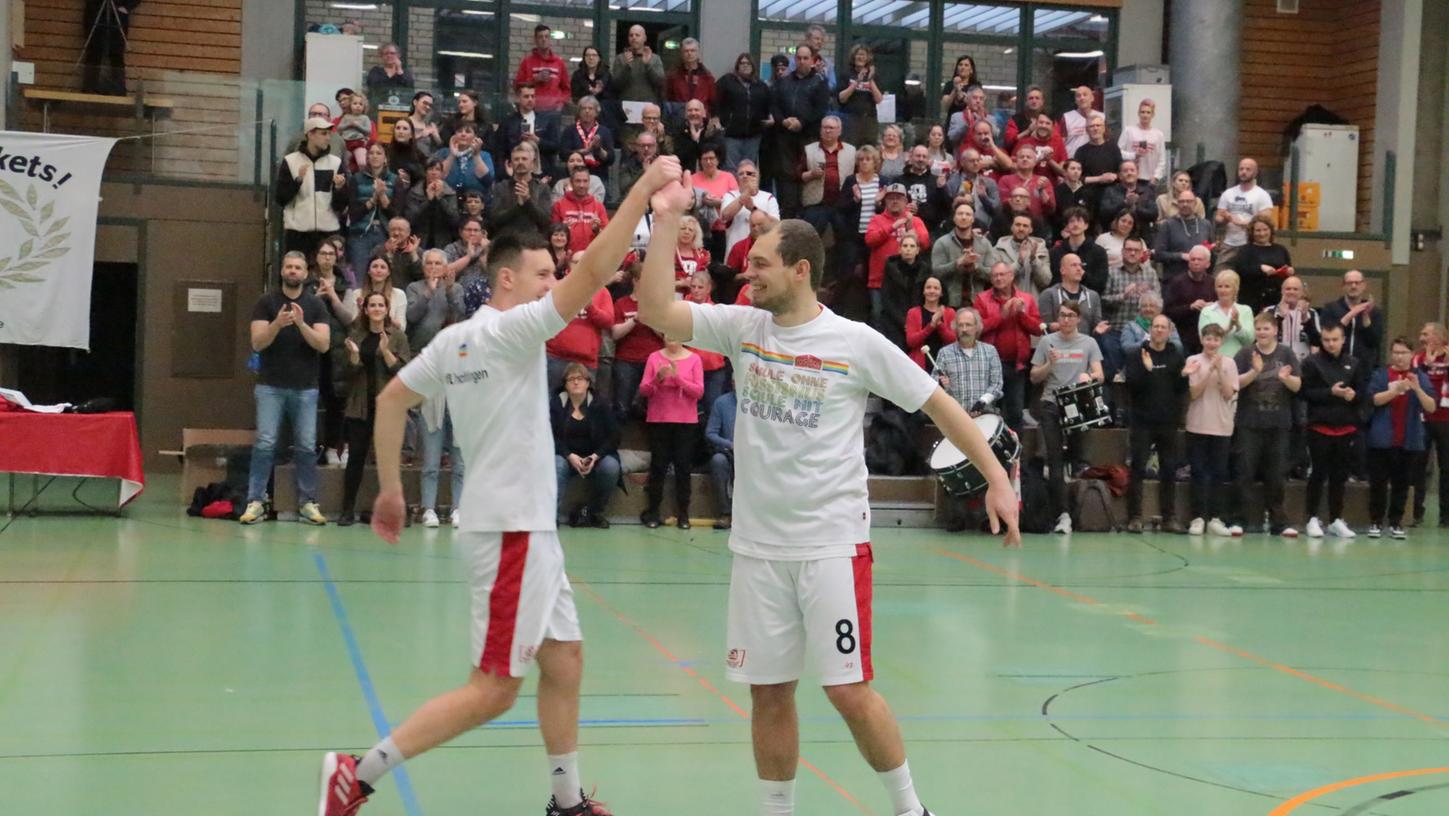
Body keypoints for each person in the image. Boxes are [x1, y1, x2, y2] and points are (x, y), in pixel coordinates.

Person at [634, 181, 1020, 816]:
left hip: (831, 546)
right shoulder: (741, 327)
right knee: (768, 693)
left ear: (800, 269)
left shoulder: (854, 343)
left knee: (848, 692)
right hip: (758, 550)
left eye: (760, 263)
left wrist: (998, 479)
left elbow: (940, 406)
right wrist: (666, 215)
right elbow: (656, 309)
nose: (748, 273)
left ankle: (909, 808)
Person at [316, 156, 685, 816]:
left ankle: (565, 801)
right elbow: (598, 269)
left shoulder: (455, 342)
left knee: (564, 658)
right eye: (545, 274)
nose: (555, 283)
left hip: (524, 530)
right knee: (492, 689)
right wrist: (644, 190)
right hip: (509, 532)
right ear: (508, 278)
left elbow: (394, 398)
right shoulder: (514, 331)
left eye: (555, 274)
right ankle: (357, 772)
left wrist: (391, 490)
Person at [239, 252, 330, 526]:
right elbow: (257, 342)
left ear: (306, 273)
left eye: (298, 267)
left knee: (305, 446)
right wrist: (278, 324)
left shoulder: (315, 306)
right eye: (289, 267)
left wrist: (301, 324)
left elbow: (323, 345)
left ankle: (308, 502)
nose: (293, 271)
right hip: (270, 386)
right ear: (282, 271)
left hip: (305, 388)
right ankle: (256, 500)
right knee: (265, 444)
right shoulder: (266, 303)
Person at [1030, 301, 1106, 534]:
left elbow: (1100, 375)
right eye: (1062, 315)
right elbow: (1034, 377)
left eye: (1070, 316)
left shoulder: (1089, 342)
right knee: (1054, 460)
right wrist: (1048, 365)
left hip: (1078, 407)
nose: (1065, 320)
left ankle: (1077, 510)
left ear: (1078, 319)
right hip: (1052, 403)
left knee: (1076, 460)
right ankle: (1061, 515)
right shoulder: (1046, 341)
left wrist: (1089, 377)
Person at [336, 292, 411, 526]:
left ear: (387, 309)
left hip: (386, 408)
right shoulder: (355, 335)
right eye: (372, 305)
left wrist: (387, 351)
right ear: (365, 309)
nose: (377, 308)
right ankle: (347, 510)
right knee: (356, 458)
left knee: (388, 462)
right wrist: (356, 356)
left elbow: (403, 372)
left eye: (381, 305)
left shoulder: (397, 336)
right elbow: (347, 373)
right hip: (360, 407)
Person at [406, 249, 468, 529]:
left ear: (446, 267)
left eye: (438, 264)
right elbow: (412, 318)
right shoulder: (414, 288)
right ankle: (428, 508)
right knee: (430, 455)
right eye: (429, 263)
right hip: (426, 367)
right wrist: (430, 293)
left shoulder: (455, 288)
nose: (433, 267)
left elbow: (461, 315)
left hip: (455, 372)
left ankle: (459, 508)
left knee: (459, 456)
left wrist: (448, 288)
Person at [934, 307, 1005, 532]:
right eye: (961, 325)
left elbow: (997, 384)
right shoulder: (944, 354)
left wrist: (981, 403)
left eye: (968, 325)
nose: (964, 330)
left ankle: (987, 517)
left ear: (977, 327)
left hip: (985, 417)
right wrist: (940, 384)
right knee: (954, 465)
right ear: (955, 328)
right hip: (955, 419)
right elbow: (931, 384)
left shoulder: (990, 352)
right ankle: (956, 516)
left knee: (986, 465)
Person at [1232, 312, 1303, 537]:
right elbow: (1235, 383)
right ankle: (1240, 520)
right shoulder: (1244, 354)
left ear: (1275, 331)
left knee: (1276, 475)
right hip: (1249, 424)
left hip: (1279, 424)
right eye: (1258, 329)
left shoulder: (1286, 353)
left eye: (1266, 328)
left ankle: (1279, 522)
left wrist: (1284, 378)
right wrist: (1254, 371)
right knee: (1244, 472)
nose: (1262, 333)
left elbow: (1297, 386)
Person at [1299, 323, 1369, 539]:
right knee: (1318, 473)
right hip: (1319, 426)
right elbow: (1305, 393)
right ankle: (1311, 518)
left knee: (1339, 476)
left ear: (1343, 339)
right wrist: (1330, 392)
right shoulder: (1311, 362)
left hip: (1346, 427)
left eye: (1335, 339)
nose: (1330, 344)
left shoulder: (1353, 363)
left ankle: (1336, 519)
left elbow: (1361, 394)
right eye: (1327, 340)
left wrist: (1352, 396)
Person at [1364, 339, 1437, 539]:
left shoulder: (1420, 377)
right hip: (1382, 438)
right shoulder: (1380, 374)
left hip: (1409, 439)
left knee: (1402, 484)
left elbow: (1431, 407)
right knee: (1378, 483)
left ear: (1411, 354)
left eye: (1403, 352)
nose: (1399, 356)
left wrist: (1416, 388)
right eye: (1395, 352)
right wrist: (1394, 390)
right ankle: (1376, 521)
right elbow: (1374, 400)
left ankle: (1395, 522)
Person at [1123, 313, 1187, 533]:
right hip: (1142, 421)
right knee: (1138, 468)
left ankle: (1169, 517)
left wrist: (1185, 377)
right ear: (1150, 330)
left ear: (1169, 331)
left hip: (1168, 421)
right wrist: (1147, 370)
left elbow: (1179, 389)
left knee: (1169, 469)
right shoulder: (1137, 354)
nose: (1159, 330)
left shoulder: (1175, 354)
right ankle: (1135, 517)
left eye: (1163, 327)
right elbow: (1131, 384)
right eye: (1156, 326)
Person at [638, 340, 704, 529]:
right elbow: (644, 390)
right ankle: (653, 512)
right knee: (658, 466)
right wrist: (657, 378)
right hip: (659, 419)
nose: (672, 339)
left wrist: (678, 379)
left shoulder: (695, 359)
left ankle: (683, 514)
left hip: (685, 421)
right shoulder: (654, 357)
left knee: (683, 467)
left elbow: (699, 392)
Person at [1182, 323, 1239, 537]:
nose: (1212, 343)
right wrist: (1207, 372)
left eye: (1216, 339)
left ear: (1221, 342)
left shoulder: (1230, 364)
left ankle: (1216, 518)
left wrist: (1218, 369)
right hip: (1197, 425)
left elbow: (1228, 393)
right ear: (1202, 340)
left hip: (1222, 427)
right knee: (1198, 472)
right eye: (1208, 339)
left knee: (1218, 473)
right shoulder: (1193, 361)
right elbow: (1194, 393)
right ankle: (1198, 517)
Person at [974, 261, 1043, 433]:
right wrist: (1002, 315)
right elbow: (976, 328)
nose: (998, 278)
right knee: (987, 411)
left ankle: (1015, 455)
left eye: (1002, 274)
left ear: (1011, 276)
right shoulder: (982, 299)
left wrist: (1021, 314)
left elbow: (1037, 329)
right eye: (994, 275)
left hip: (1016, 365)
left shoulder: (1026, 299)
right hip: (990, 365)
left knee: (1015, 413)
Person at [552, 363, 623, 529]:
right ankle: (551, 516)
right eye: (571, 379)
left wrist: (595, 456)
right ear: (565, 384)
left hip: (595, 457)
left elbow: (615, 436)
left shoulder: (601, 404)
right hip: (565, 456)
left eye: (580, 378)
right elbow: (549, 435)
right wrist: (569, 455)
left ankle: (594, 511)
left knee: (611, 467)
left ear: (588, 382)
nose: (576, 382)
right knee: (556, 464)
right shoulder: (556, 404)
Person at [277, 117, 347, 257]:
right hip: (297, 232)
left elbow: (341, 206)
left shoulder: (335, 162)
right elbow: (280, 198)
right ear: (310, 134)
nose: (328, 138)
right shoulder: (291, 161)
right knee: (296, 274)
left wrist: (339, 189)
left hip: (328, 231)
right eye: (323, 133)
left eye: (329, 134)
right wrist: (297, 181)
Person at [311, 242, 354, 466]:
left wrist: (334, 297)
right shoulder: (307, 283)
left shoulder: (346, 285)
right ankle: (311, 447)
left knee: (336, 403)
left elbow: (351, 320)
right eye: (323, 253)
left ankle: (333, 447)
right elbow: (301, 313)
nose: (327, 258)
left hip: (337, 351)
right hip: (312, 351)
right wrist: (317, 297)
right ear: (316, 257)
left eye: (331, 254)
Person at [865, 184, 929, 330]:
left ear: (906, 202)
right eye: (890, 198)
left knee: (907, 319)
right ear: (885, 202)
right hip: (879, 281)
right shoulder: (876, 220)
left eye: (899, 198)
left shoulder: (915, 220)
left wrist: (910, 226)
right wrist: (892, 226)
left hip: (907, 283)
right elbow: (870, 240)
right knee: (878, 316)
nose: (894, 201)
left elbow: (925, 243)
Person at [544, 264, 614, 394]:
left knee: (582, 408)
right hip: (555, 357)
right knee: (550, 404)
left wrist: (590, 308)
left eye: (584, 261)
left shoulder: (602, 291)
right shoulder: (557, 287)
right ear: (568, 266)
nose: (580, 265)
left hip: (586, 361)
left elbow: (608, 321)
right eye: (576, 262)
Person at [610, 263, 664, 422]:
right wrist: (635, 319)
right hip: (626, 360)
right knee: (622, 404)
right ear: (635, 280)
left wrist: (650, 320)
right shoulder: (621, 303)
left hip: (653, 360)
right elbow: (615, 334)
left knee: (652, 405)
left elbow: (666, 335)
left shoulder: (658, 304)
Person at [1411, 323, 1449, 528]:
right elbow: (1416, 380)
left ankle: (1446, 515)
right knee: (1418, 466)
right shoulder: (1418, 358)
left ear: (1439, 337)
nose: (1421, 338)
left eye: (1425, 334)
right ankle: (1416, 511)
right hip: (1423, 418)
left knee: (1446, 468)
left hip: (1446, 419)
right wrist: (1428, 364)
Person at [345, 142, 401, 269]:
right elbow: (353, 214)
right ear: (367, 158)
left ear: (385, 158)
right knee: (360, 276)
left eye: (379, 153)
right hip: (360, 233)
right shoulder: (356, 179)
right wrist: (373, 199)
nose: (375, 156)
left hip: (385, 232)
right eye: (371, 153)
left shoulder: (395, 180)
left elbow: (396, 215)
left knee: (381, 272)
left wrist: (382, 196)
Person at [930, 200, 992, 307]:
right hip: (950, 303)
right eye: (960, 214)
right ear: (954, 218)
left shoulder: (984, 244)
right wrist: (958, 263)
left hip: (977, 303)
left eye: (968, 214)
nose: (963, 217)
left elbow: (993, 275)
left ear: (973, 219)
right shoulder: (942, 243)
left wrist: (976, 267)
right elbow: (936, 272)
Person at [1214, 158, 1274, 269]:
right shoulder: (1228, 193)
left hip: (1251, 245)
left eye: (1248, 169)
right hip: (1229, 244)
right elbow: (1218, 218)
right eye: (1241, 169)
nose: (1243, 172)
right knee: (1220, 276)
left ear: (1255, 173)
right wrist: (1225, 218)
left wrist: (1240, 222)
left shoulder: (1262, 195)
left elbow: (1266, 221)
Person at [1317, 270, 1383, 370]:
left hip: (1364, 368)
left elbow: (1375, 341)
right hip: (1335, 366)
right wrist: (1351, 314)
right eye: (1349, 283)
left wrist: (1365, 316)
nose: (1353, 286)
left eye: (1357, 283)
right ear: (1343, 286)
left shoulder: (1374, 311)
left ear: (1364, 285)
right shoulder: (1330, 308)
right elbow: (1328, 335)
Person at [717, 53, 771, 172]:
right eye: (742, 63)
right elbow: (716, 101)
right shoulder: (727, 81)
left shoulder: (761, 86)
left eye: (748, 63)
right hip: (731, 134)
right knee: (730, 169)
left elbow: (768, 105)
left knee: (748, 169)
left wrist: (770, 117)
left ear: (753, 66)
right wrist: (717, 119)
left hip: (754, 135)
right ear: (737, 66)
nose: (745, 66)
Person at [496, 85, 562, 181]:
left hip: (541, 174)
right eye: (526, 96)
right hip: (514, 173)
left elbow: (556, 147)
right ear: (518, 98)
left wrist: (537, 140)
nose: (530, 99)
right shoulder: (508, 122)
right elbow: (500, 150)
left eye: (533, 96)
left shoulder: (547, 121)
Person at [490, 144, 553, 242]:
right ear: (511, 164)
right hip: (507, 243)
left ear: (532, 163)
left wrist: (527, 201)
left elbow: (545, 221)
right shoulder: (501, 187)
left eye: (524, 159)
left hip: (535, 242)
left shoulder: (542, 188)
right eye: (516, 159)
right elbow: (495, 220)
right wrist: (518, 206)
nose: (520, 162)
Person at [1038, 254, 1107, 342]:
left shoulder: (1093, 296)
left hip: (1084, 347)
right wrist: (1052, 326)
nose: (1079, 269)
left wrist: (1098, 330)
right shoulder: (1049, 294)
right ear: (1062, 270)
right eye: (1074, 265)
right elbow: (1043, 327)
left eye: (1081, 265)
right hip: (1057, 347)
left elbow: (1095, 329)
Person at [720, 159, 780, 260]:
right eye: (741, 174)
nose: (745, 176)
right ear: (737, 178)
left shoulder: (769, 197)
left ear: (757, 176)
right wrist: (745, 195)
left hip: (762, 252)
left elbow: (776, 224)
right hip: (735, 254)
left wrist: (753, 208)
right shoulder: (730, 195)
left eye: (749, 173)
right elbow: (725, 216)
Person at [1234, 215, 1294, 313]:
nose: (1262, 234)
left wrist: (1289, 271)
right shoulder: (1245, 250)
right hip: (1251, 299)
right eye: (1258, 230)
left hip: (1276, 298)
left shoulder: (1281, 249)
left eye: (1265, 229)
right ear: (1252, 232)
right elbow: (1240, 269)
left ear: (1271, 231)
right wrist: (1260, 268)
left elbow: (1288, 268)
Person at [514, 24, 571, 128]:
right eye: (540, 37)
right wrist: (535, 80)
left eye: (546, 37)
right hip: (532, 111)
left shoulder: (559, 63)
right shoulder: (527, 62)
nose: (544, 40)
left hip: (553, 113)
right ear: (535, 40)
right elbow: (518, 86)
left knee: (552, 143)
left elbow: (566, 89)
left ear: (550, 39)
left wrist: (560, 104)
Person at [1164, 246, 1216, 354]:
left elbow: (1221, 307)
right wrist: (1190, 307)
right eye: (1193, 259)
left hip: (1208, 338)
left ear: (1208, 264)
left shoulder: (1213, 283)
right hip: (1183, 337)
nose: (1195, 262)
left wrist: (1213, 306)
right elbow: (1167, 311)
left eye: (1199, 259)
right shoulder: (1177, 282)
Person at [1153, 189, 1213, 281]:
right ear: (1177, 203)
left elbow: (1212, 252)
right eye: (1182, 201)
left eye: (1189, 201)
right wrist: (1181, 256)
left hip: (1200, 281)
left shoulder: (1205, 225)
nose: (1185, 204)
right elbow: (1158, 255)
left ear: (1195, 203)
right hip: (1174, 280)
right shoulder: (1167, 225)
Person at [1074, 113, 1123, 219]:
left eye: (1098, 125)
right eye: (1091, 126)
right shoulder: (1081, 152)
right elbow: (1077, 179)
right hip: (1089, 199)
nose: (1095, 129)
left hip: (1112, 198)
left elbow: (1121, 172)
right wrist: (1100, 179)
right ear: (1087, 130)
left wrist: (1114, 176)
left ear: (1104, 128)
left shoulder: (1113, 148)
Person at [1049, 206, 1108, 293]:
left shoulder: (1099, 252)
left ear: (1086, 225)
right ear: (1067, 226)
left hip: (1088, 299)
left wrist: (1081, 274)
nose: (1075, 224)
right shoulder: (1055, 252)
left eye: (1079, 221)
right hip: (1060, 299)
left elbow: (1100, 284)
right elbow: (1053, 280)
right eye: (1071, 221)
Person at [1198, 269, 1255, 360]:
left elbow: (1249, 341)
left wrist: (1237, 325)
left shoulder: (1245, 310)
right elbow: (1204, 339)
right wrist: (1228, 328)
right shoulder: (1207, 311)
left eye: (1227, 286)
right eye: (1219, 286)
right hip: (1213, 360)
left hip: (1239, 361)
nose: (1223, 290)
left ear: (1235, 289)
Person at [991, 212, 1051, 298]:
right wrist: (1018, 263)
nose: (1021, 229)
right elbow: (997, 280)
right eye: (1018, 225)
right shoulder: (998, 249)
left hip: (1032, 305)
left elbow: (1046, 281)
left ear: (1031, 230)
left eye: (1025, 226)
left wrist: (1034, 260)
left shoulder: (1040, 249)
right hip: (1005, 303)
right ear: (1011, 227)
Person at [558, 96, 616, 184]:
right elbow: (563, 154)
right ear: (579, 112)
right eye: (584, 108)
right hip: (574, 177)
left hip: (599, 176)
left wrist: (599, 150)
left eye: (590, 108)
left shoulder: (605, 131)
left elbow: (611, 159)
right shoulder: (570, 130)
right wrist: (584, 151)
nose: (587, 111)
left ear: (596, 112)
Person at [405, 159, 461, 250]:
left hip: (443, 241)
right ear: (425, 172)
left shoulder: (450, 193)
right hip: (419, 241)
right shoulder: (414, 193)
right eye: (431, 169)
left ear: (442, 174)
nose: (434, 172)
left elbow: (455, 220)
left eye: (437, 169)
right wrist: (428, 201)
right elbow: (410, 219)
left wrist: (440, 199)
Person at [898, 144, 952, 238]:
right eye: (918, 156)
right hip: (905, 234)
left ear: (928, 160)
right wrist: (905, 208)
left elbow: (947, 208)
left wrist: (942, 189)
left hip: (932, 232)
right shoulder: (899, 181)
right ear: (911, 157)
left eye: (924, 156)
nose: (921, 159)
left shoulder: (937, 180)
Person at [552, 167, 609, 254]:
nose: (582, 185)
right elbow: (552, 234)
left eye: (585, 181)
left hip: (592, 256)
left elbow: (607, 235)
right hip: (567, 257)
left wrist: (597, 230)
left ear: (589, 183)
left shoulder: (598, 206)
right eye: (578, 181)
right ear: (571, 182)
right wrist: (563, 228)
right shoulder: (559, 205)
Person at [904, 275, 956, 370]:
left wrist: (939, 324)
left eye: (936, 288)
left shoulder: (950, 312)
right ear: (923, 291)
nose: (932, 291)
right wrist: (931, 326)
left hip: (945, 363)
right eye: (928, 287)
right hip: (920, 365)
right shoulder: (913, 312)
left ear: (941, 293)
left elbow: (953, 340)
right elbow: (911, 341)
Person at [836, 44, 883, 148]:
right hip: (850, 119)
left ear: (867, 58)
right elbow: (841, 98)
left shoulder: (873, 76)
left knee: (868, 150)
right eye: (858, 54)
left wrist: (870, 79)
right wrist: (857, 81)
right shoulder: (846, 74)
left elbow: (879, 99)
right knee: (849, 148)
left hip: (869, 119)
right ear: (853, 56)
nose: (860, 57)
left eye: (863, 55)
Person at [1095, 160, 1157, 235]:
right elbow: (1104, 214)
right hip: (1114, 235)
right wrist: (1124, 203)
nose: (1129, 173)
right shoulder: (1110, 191)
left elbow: (1154, 215)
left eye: (1132, 170)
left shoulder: (1147, 191)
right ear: (1120, 176)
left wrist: (1136, 206)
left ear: (1137, 174)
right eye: (1125, 171)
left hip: (1141, 236)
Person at [612, 25, 666, 110]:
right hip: (626, 107)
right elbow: (615, 85)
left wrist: (648, 65)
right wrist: (627, 67)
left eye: (637, 35)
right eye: (631, 35)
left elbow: (660, 83)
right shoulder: (620, 58)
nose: (634, 38)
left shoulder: (655, 58)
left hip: (648, 108)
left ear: (644, 38)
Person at [947, 148, 1001, 231]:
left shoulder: (989, 183)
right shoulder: (952, 182)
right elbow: (946, 208)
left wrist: (984, 197)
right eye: (972, 161)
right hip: (957, 226)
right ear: (962, 163)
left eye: (978, 160)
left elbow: (997, 210)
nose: (976, 163)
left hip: (983, 227)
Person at [705, 390, 737, 530]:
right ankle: (726, 513)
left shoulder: (760, 402)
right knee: (718, 461)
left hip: (753, 453)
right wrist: (730, 445)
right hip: (729, 452)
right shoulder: (721, 402)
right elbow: (710, 433)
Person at [1117, 98, 1167, 184]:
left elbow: (1162, 159)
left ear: (1153, 115)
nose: (1145, 115)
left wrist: (1156, 176)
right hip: (1130, 177)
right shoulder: (1129, 131)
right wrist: (1133, 155)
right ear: (1138, 113)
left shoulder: (1158, 134)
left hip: (1149, 178)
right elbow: (1118, 152)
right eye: (1142, 112)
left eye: (1148, 112)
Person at [665, 37, 717, 120]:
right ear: (681, 53)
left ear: (698, 53)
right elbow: (669, 99)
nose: (689, 53)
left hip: (702, 119)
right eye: (686, 51)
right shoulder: (673, 77)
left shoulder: (708, 77)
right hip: (680, 119)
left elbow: (713, 102)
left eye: (693, 50)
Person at [1012, 112, 1069, 181]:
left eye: (1047, 123)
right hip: (1027, 187)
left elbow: (1064, 172)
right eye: (1041, 122)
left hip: (1051, 187)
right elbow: (1013, 169)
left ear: (1053, 126)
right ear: (1036, 124)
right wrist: (1038, 159)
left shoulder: (1058, 143)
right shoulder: (1024, 142)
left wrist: (1049, 160)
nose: (1043, 126)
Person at [336, 93, 378, 172]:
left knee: (362, 162)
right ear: (350, 105)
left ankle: (363, 175)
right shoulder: (346, 117)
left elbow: (368, 131)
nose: (358, 106)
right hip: (346, 143)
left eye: (360, 104)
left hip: (358, 143)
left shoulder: (365, 118)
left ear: (364, 107)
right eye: (355, 103)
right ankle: (349, 177)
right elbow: (339, 128)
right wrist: (348, 124)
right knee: (345, 163)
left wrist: (358, 126)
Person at [385, 117, 426, 191]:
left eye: (405, 129)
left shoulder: (419, 155)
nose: (401, 131)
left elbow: (423, 179)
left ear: (411, 134)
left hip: (412, 195)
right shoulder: (386, 152)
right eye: (398, 128)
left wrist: (410, 176)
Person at [1003, 85, 1048, 150]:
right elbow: (1008, 143)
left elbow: (1056, 140)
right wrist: (1028, 131)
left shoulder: (1050, 119)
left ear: (1042, 101)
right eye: (1031, 98)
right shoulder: (1016, 120)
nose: (1034, 101)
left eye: (1037, 98)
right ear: (1026, 102)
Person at [1052, 160, 1091, 233]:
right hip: (1061, 231)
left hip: (1083, 232)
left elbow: (1090, 215)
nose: (1076, 171)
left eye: (1079, 169)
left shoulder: (1088, 192)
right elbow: (1054, 214)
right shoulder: (1057, 191)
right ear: (1065, 172)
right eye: (1072, 168)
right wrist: (1066, 228)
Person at [1093, 209, 1134, 274]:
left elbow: (1145, 264)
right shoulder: (1103, 238)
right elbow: (1094, 263)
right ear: (1117, 221)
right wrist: (1118, 262)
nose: (1126, 225)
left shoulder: (1138, 241)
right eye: (1123, 221)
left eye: (1130, 223)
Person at [940, 55, 979, 123]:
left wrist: (961, 95)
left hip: (970, 123)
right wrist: (955, 89)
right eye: (960, 65)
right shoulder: (949, 85)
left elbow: (977, 105)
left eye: (966, 65)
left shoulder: (976, 86)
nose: (962, 67)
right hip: (952, 124)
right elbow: (945, 106)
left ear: (971, 70)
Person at [1060, 85, 1097, 157]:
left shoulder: (1101, 117)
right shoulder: (1067, 117)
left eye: (1085, 95)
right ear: (1075, 100)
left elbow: (1106, 139)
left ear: (1092, 98)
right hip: (1072, 161)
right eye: (1078, 96)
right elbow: (1061, 142)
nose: (1082, 98)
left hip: (1094, 159)